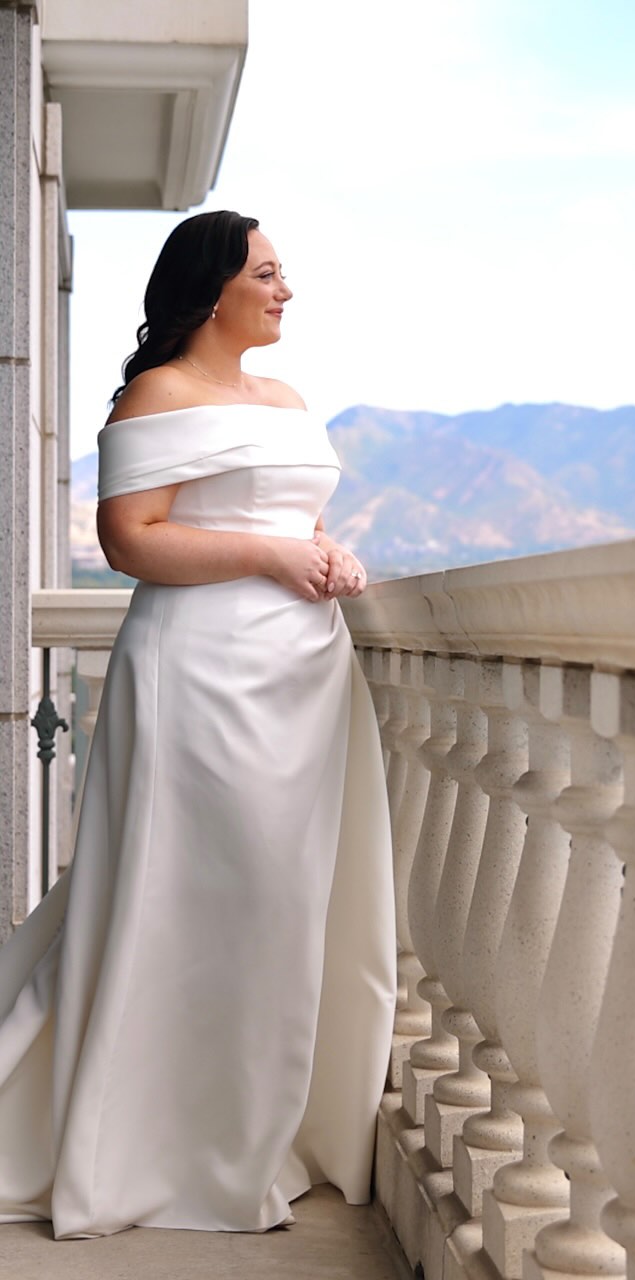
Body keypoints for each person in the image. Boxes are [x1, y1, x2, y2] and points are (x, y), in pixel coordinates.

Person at [0, 211, 396, 1238]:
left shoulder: (288, 399)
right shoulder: (158, 394)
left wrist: (327, 551)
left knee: (284, 905)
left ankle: (253, 1135)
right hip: (201, 675)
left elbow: (291, 517)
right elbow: (131, 540)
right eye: (266, 272)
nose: (285, 289)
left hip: (304, 676)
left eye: (282, 271)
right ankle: (165, 1150)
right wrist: (271, 557)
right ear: (212, 288)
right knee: (198, 898)